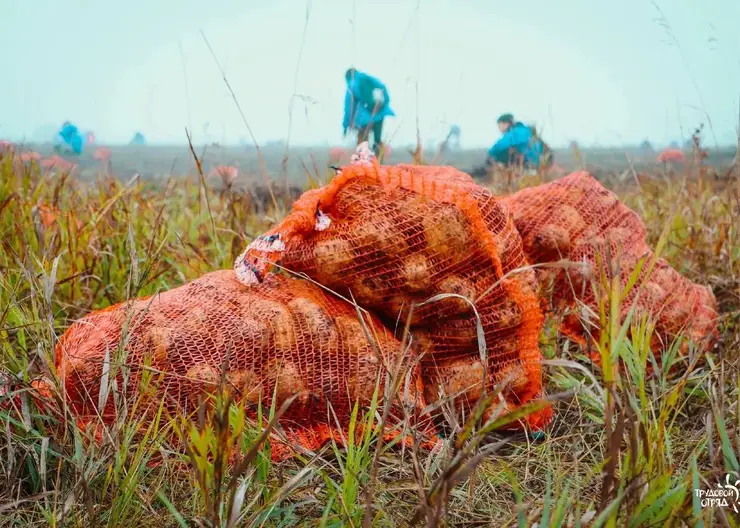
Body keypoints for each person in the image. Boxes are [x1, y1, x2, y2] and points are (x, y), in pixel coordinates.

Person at [342, 68, 395, 155]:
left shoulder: (352, 85)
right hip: (379, 114)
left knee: (363, 143)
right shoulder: (368, 78)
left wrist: (345, 125)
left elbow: (348, 107)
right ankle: (378, 164)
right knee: (377, 141)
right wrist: (385, 103)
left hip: (363, 118)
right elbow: (383, 87)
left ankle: (364, 165)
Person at [484, 113, 552, 169]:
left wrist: (491, 157)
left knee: (495, 158)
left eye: (499, 125)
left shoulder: (516, 133)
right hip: (539, 164)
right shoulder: (526, 130)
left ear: (506, 123)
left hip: (529, 165)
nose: (499, 128)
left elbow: (496, 148)